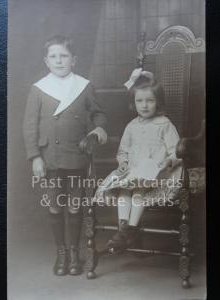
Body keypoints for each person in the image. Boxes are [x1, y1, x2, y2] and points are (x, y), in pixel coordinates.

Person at [23, 35, 107, 276]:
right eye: (53, 56)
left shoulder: (83, 85)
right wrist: (35, 157)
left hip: (76, 156)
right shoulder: (38, 88)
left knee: (73, 206)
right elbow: (30, 126)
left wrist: (96, 132)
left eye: (64, 56)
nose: (59, 61)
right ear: (46, 61)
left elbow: (99, 115)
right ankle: (60, 252)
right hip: (50, 157)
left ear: (74, 60)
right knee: (54, 206)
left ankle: (73, 253)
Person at [95, 69, 183, 252]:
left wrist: (169, 161)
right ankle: (123, 231)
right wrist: (123, 163)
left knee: (138, 193)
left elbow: (176, 151)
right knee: (124, 192)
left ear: (158, 102)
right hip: (133, 170)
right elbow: (123, 151)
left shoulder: (164, 124)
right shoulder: (131, 126)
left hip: (157, 173)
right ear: (133, 103)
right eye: (139, 101)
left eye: (150, 101)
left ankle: (131, 230)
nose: (144, 105)